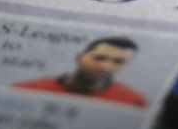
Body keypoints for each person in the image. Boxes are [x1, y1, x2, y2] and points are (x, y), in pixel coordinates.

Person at [14, 37, 146, 107]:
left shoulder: (133, 102)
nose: (105, 67)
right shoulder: (28, 90)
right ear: (80, 57)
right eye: (99, 58)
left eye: (118, 62)